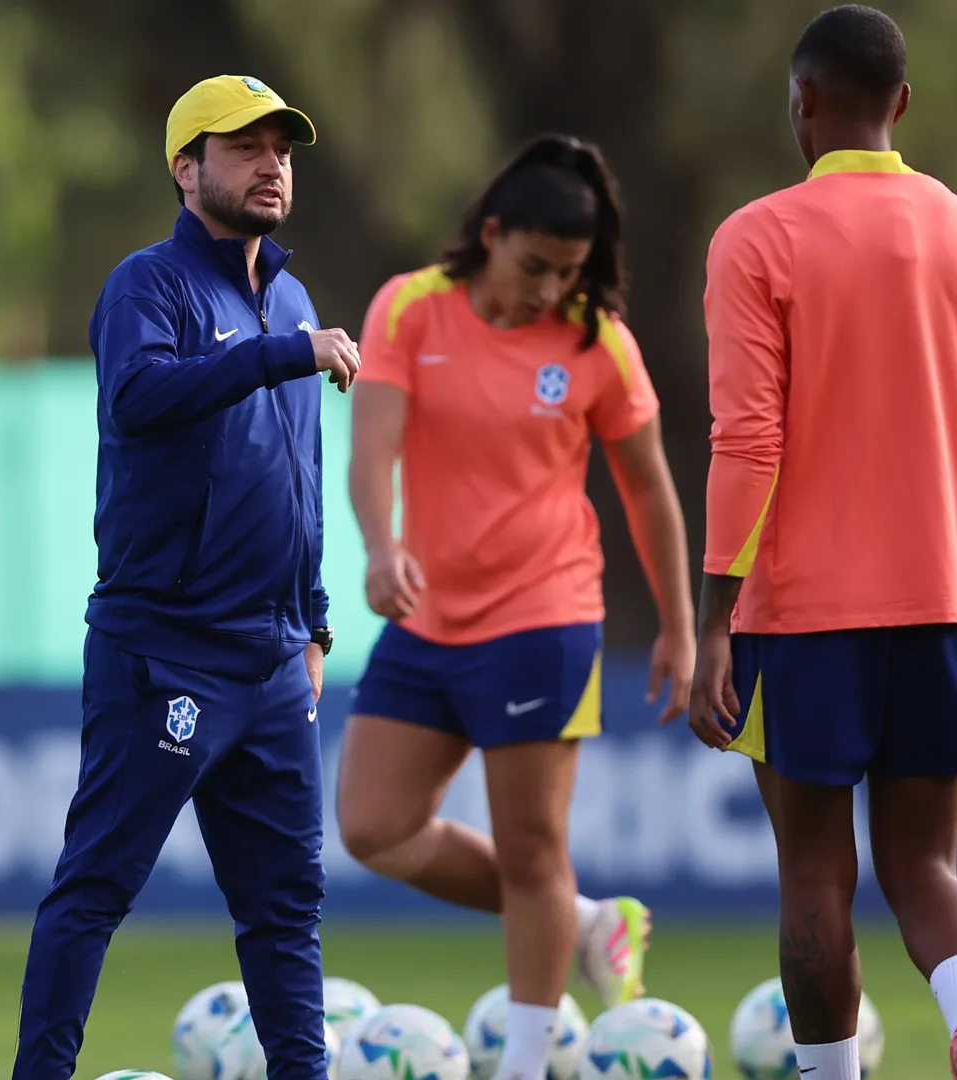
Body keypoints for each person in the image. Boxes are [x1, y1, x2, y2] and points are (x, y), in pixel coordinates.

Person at [10, 74, 360, 1080]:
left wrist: (315, 621)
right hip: (165, 651)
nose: (271, 164)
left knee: (285, 913)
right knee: (97, 889)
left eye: (281, 149)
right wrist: (281, 355)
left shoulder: (290, 300)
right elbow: (138, 399)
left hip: (273, 660)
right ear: (185, 167)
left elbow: (298, 474)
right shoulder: (149, 285)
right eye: (244, 147)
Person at [687, 7, 957, 1080]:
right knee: (926, 867)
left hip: (803, 614)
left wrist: (716, 617)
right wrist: (935, 538)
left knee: (816, 877)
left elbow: (748, 439)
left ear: (803, 100)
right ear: (902, 104)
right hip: (943, 598)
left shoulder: (756, 237)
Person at [339, 133, 695, 1080]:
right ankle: (588, 923)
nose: (550, 289)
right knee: (373, 825)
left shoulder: (596, 341)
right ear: (491, 235)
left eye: (569, 271)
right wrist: (381, 548)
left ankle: (528, 1063)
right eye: (535, 265)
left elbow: (648, 489)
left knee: (535, 850)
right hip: (425, 616)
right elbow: (373, 449)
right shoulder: (409, 307)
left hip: (545, 618)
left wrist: (679, 624)